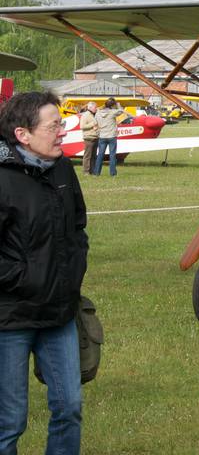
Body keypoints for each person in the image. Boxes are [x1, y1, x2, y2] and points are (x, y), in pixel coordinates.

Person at [0, 91, 88, 454]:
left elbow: (78, 227)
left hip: (59, 314)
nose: (62, 132)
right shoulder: (3, 178)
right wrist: (26, 279)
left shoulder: (64, 169)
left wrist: (72, 273)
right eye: (54, 126)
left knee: (69, 408)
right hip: (10, 318)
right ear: (23, 135)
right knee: (9, 421)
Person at [92, 97, 121, 177]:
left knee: (100, 155)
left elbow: (95, 123)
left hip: (102, 136)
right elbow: (121, 111)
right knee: (112, 155)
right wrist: (118, 104)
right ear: (112, 105)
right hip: (111, 136)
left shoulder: (98, 113)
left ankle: (96, 173)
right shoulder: (112, 112)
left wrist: (98, 133)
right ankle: (113, 173)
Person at [79, 102, 99, 175]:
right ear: (90, 108)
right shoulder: (85, 115)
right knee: (87, 156)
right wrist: (92, 124)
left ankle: (92, 170)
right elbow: (82, 126)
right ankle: (86, 171)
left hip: (95, 137)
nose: (96, 109)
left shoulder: (94, 115)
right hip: (88, 138)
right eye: (95, 107)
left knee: (93, 156)